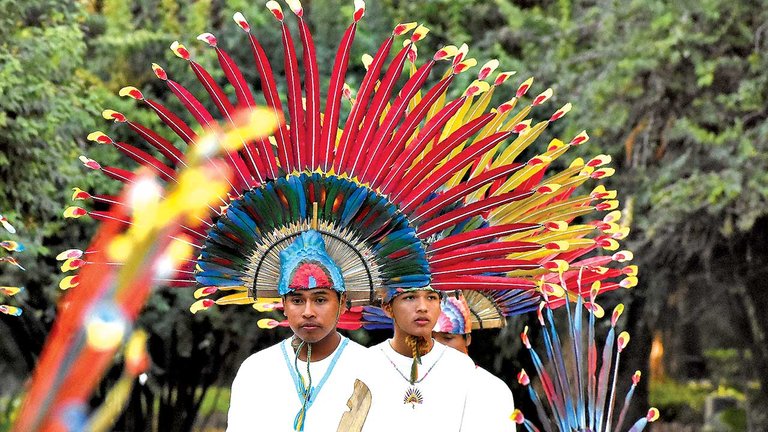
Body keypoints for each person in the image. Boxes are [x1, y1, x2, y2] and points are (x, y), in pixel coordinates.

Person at [227, 230, 371, 432]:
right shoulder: (256, 370)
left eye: (320, 300)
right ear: (283, 304)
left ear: (342, 302)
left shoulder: (371, 369)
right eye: (297, 300)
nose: (308, 312)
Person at [362, 287, 478, 432]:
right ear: (388, 308)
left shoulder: (460, 367)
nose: (423, 307)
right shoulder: (365, 364)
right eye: (410, 297)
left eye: (431, 298)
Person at [433, 291, 517, 431]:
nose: (437, 347)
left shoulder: (494, 390)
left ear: (467, 339)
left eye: (448, 338)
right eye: (428, 340)